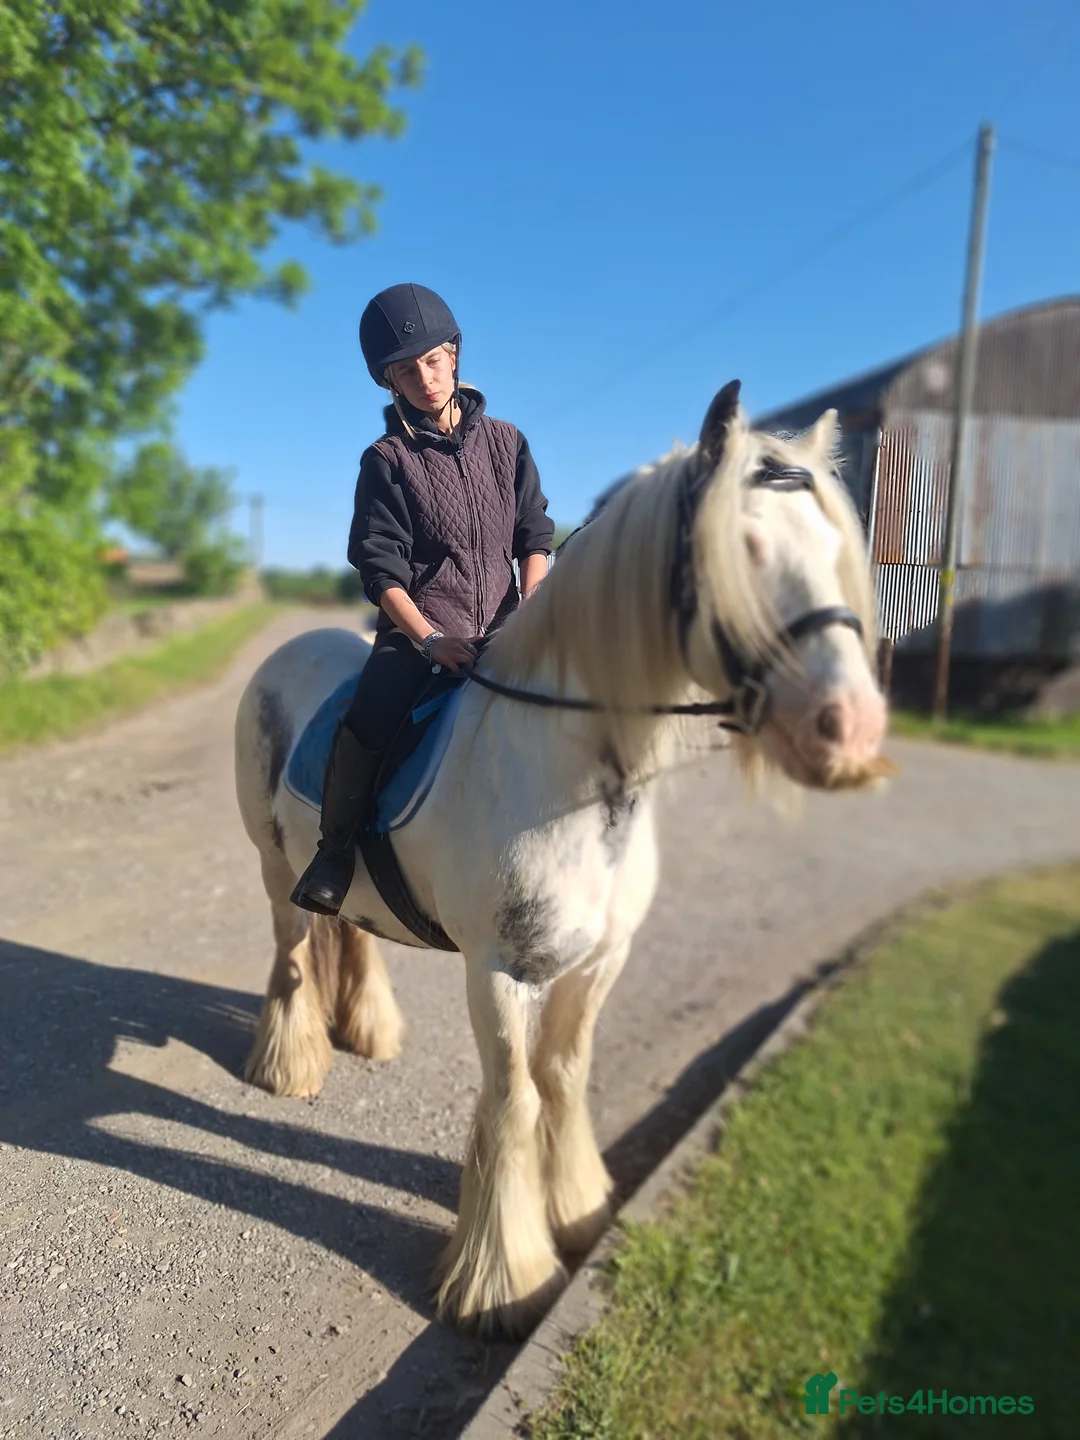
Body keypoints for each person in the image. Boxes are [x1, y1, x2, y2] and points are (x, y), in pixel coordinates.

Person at [290, 283, 555, 915]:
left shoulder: (509, 443)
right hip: (419, 637)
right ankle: (335, 850)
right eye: (407, 371)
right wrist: (432, 639)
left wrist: (537, 601)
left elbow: (533, 533)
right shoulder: (385, 461)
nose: (425, 379)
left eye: (433, 361)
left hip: (507, 628)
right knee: (370, 719)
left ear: (454, 356)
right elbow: (380, 572)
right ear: (390, 383)